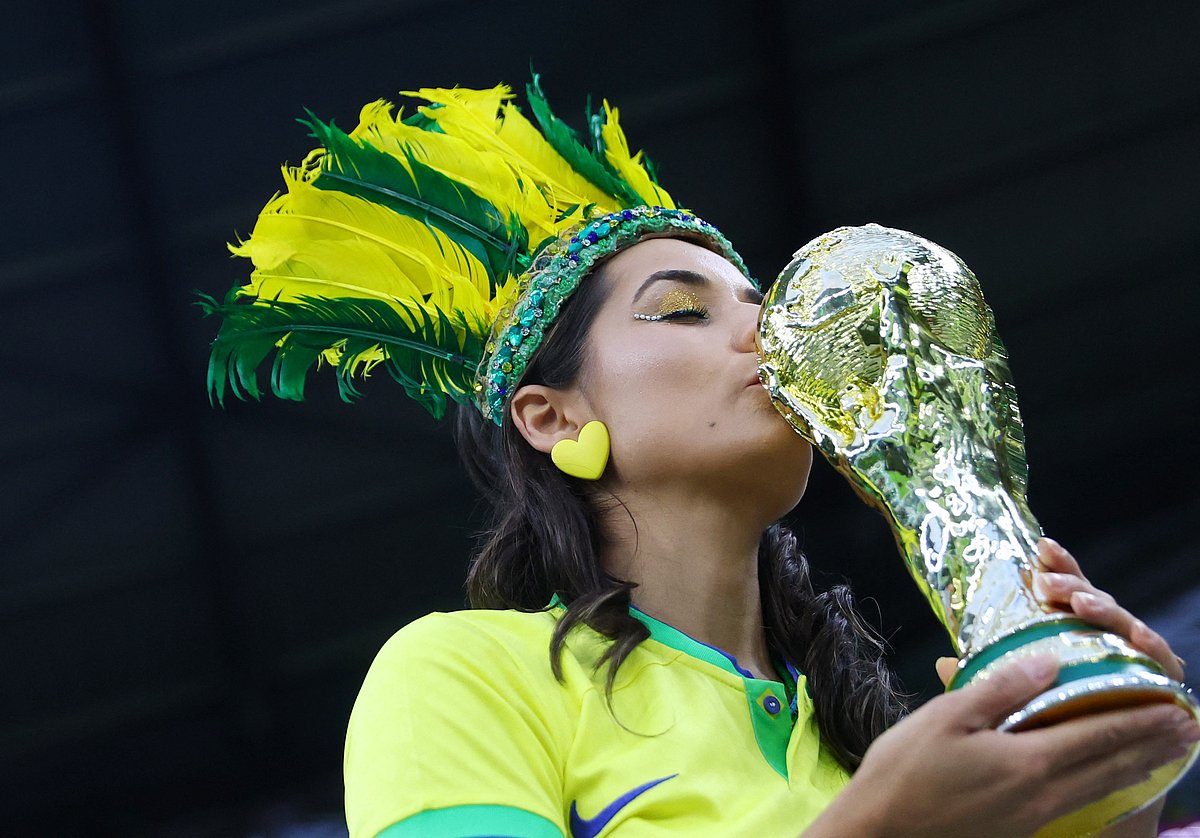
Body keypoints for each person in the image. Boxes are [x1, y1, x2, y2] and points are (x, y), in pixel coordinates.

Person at [202, 80, 1198, 838]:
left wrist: (1108, 777)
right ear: (551, 418)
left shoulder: (871, 744)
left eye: (764, 307)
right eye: (683, 309)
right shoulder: (462, 675)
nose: (769, 339)